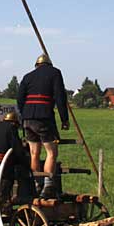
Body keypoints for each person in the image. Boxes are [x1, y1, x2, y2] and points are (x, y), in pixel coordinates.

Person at [17, 53, 69, 199]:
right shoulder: (55, 73)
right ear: (49, 64)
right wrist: (64, 119)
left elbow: (20, 99)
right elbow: (60, 97)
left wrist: (24, 115)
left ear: (37, 65)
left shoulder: (28, 76)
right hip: (44, 118)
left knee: (34, 153)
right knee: (51, 152)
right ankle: (48, 185)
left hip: (28, 119)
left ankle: (36, 184)